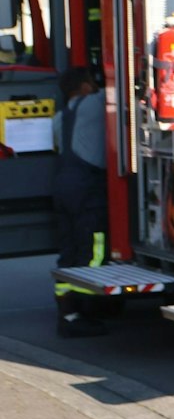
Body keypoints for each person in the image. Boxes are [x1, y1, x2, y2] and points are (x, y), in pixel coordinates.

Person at [52, 66, 110, 338]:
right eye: (91, 82)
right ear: (85, 87)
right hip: (87, 186)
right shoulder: (94, 105)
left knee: (70, 250)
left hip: (62, 184)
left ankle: (68, 313)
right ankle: (88, 308)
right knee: (94, 249)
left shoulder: (59, 117)